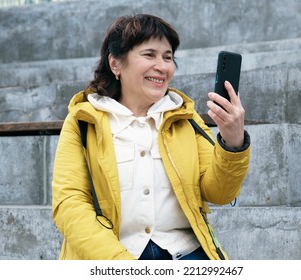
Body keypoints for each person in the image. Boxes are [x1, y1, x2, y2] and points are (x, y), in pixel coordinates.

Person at [52, 14, 250, 260]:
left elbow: (220, 193)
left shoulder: (185, 119)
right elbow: (70, 206)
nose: (162, 66)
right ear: (115, 64)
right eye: (149, 55)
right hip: (113, 256)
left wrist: (233, 143)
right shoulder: (83, 121)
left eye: (168, 57)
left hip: (185, 252)